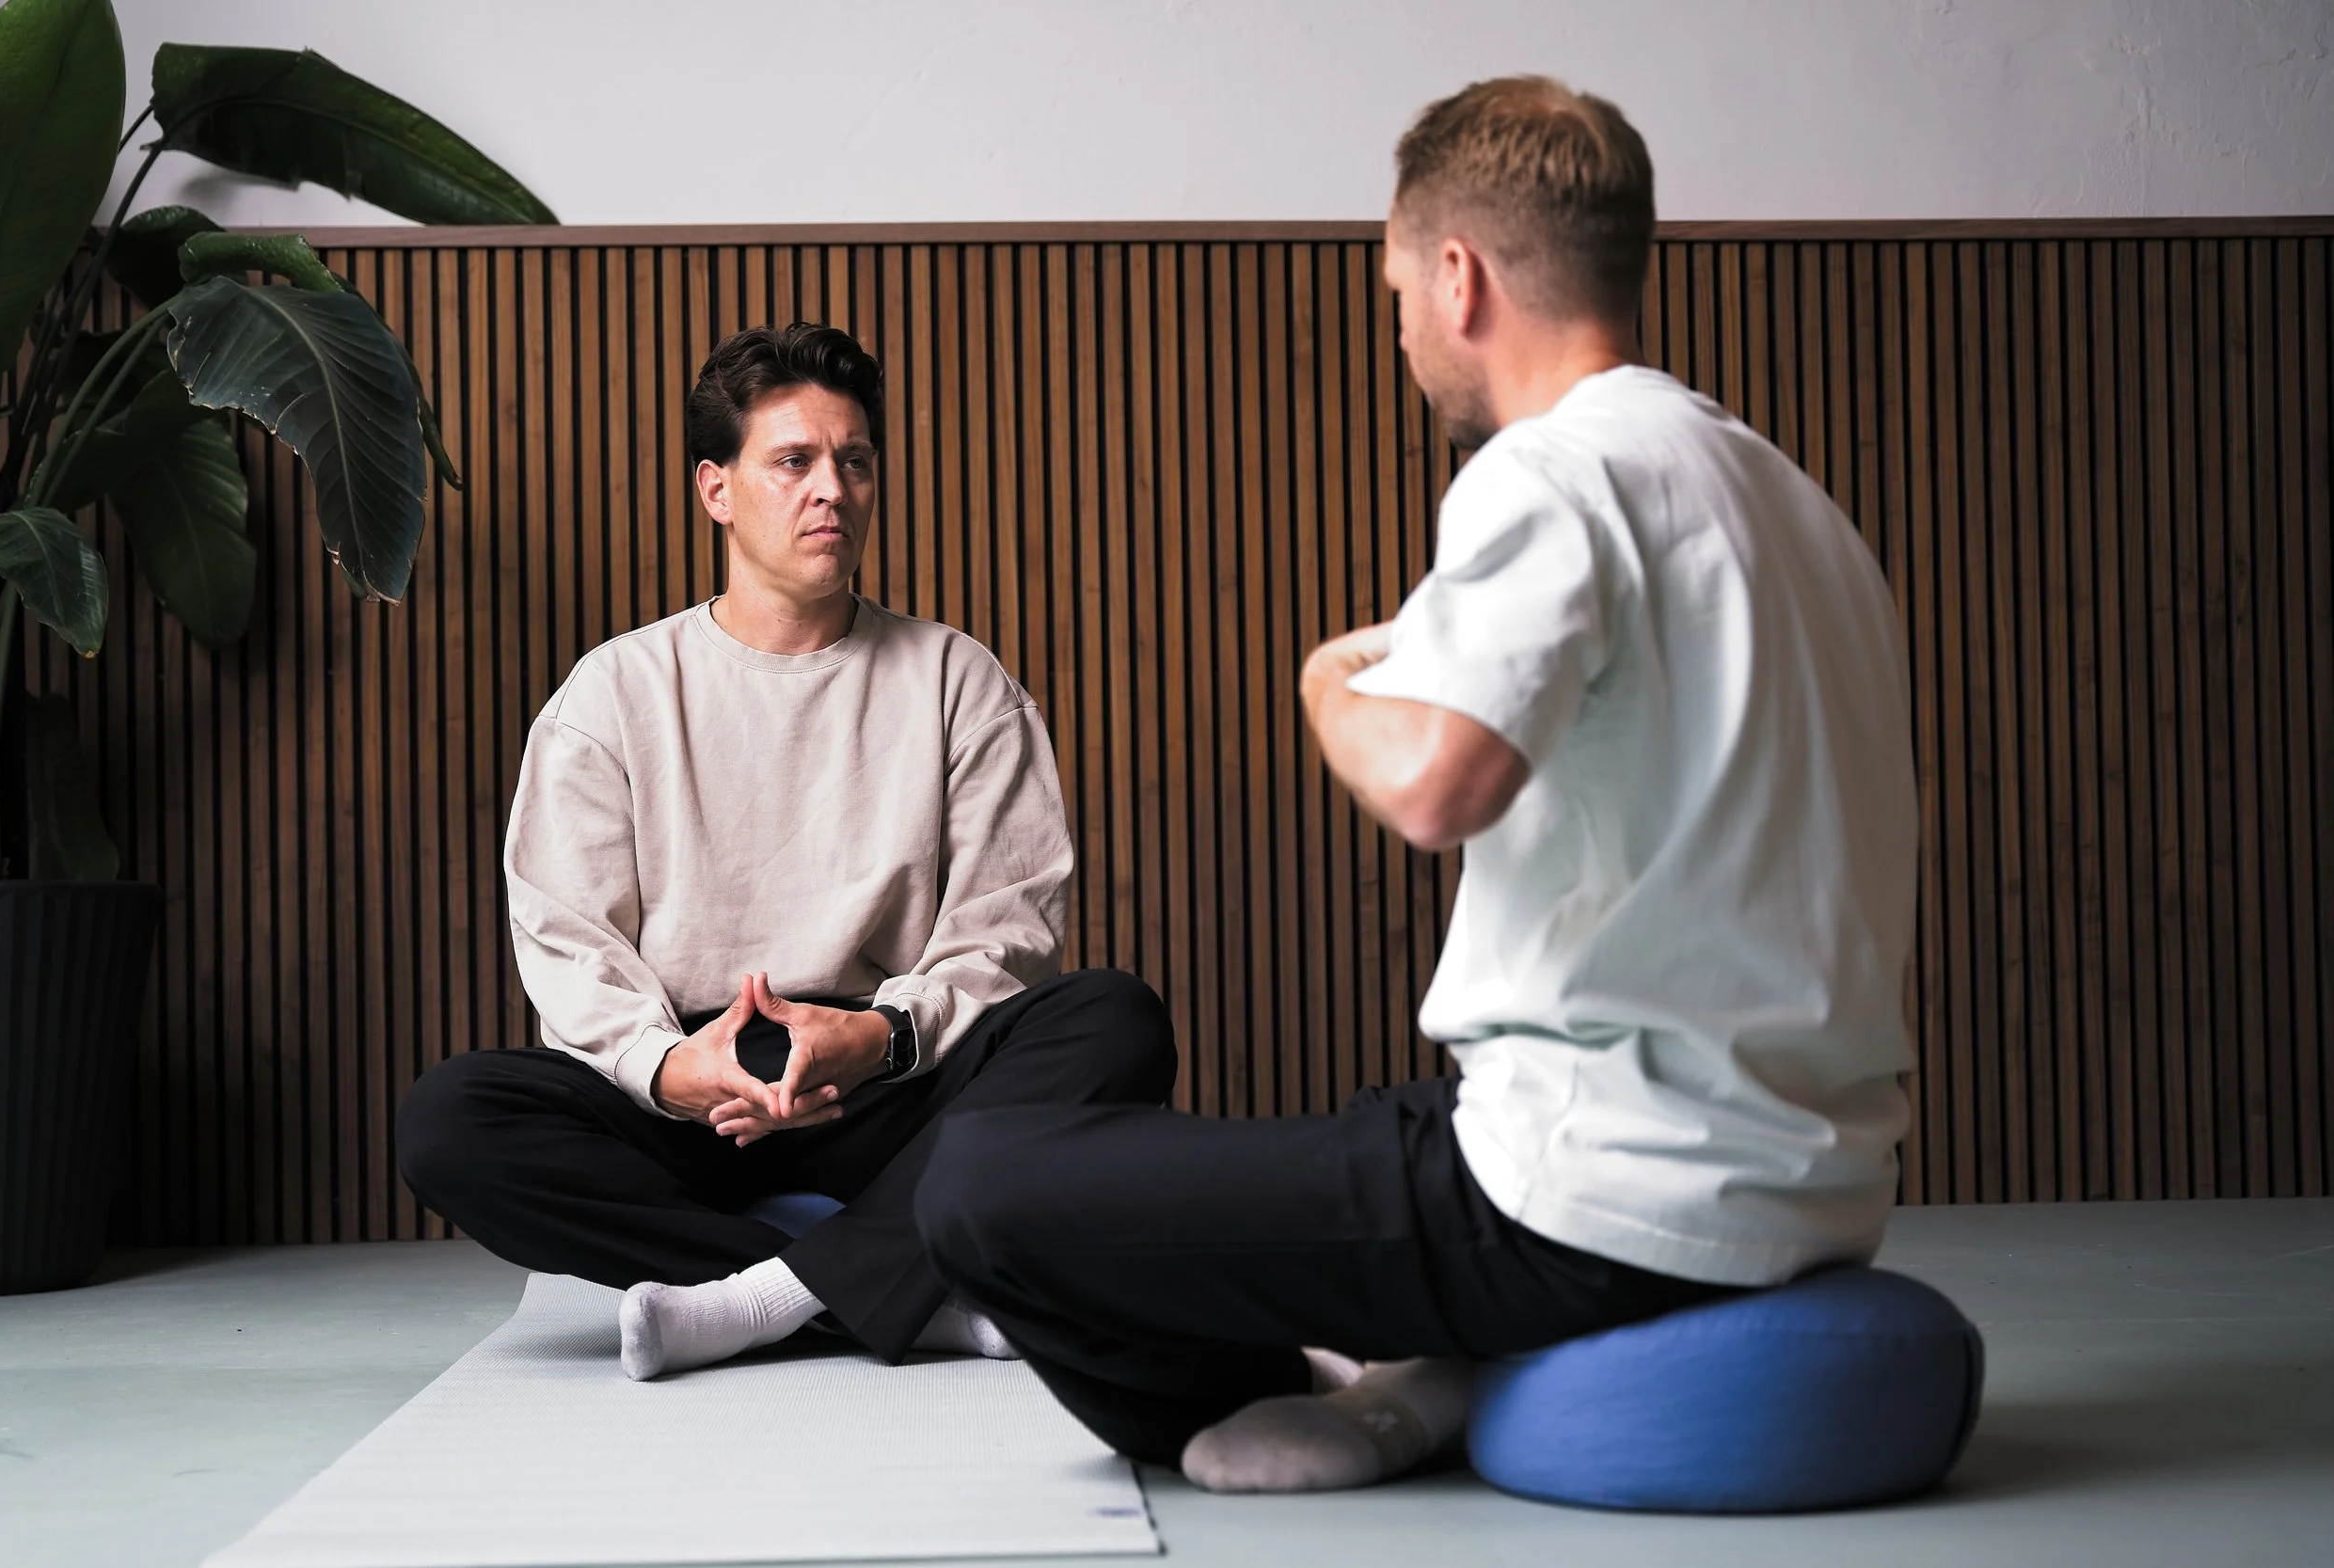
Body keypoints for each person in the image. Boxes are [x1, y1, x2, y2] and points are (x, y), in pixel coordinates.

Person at [915, 75, 1921, 1492]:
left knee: (975, 1187)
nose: (1400, 333)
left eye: (1396, 294)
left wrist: (1327, 684)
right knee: (1373, 1122)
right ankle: (1430, 1372)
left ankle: (1316, 1404)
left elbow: (1436, 783)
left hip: (1589, 1194)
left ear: (1458, 278)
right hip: (1817, 1182)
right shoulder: (1790, 502)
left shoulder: (1549, 469)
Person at [398, 323, 1175, 1381]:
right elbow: (568, 941)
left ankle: (761, 1296)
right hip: (689, 1093)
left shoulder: (959, 682)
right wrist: (674, 1067)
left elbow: (1009, 928)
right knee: (449, 1120)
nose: (832, 491)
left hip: (889, 1077)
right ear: (716, 488)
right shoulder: (614, 693)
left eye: (855, 461)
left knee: (1116, 1021)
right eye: (794, 461)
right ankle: (903, 1291)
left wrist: (882, 1037)